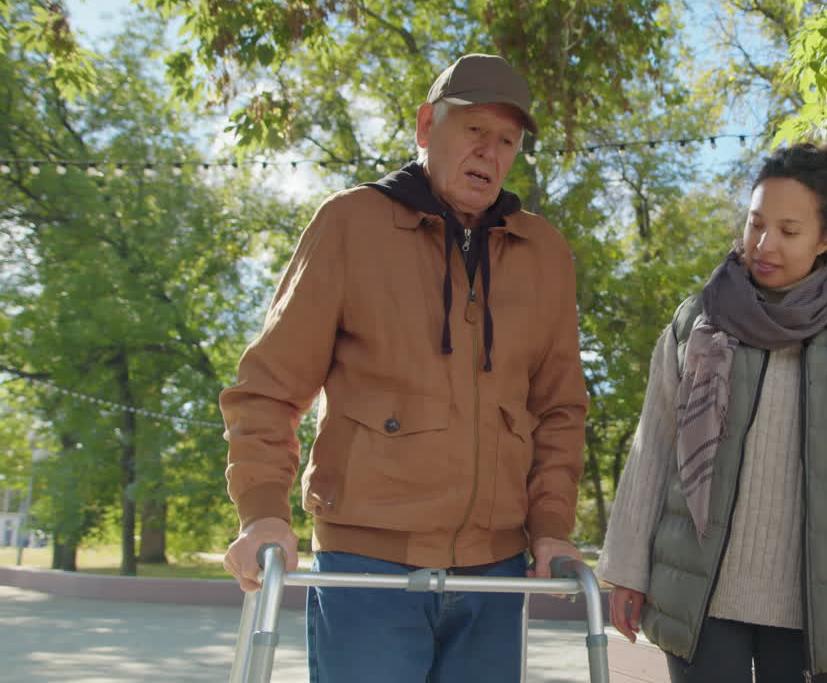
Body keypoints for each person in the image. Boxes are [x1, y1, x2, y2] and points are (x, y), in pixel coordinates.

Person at [219, 53, 588, 682]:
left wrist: (550, 528)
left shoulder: (543, 252)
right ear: (425, 127)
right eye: (474, 131)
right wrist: (263, 512)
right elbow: (268, 388)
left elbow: (558, 409)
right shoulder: (350, 224)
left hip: (496, 572)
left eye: (507, 141)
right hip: (367, 565)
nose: (489, 154)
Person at [597, 143, 827, 682]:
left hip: (816, 607)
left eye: (788, 229)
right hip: (699, 600)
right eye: (756, 223)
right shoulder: (697, 323)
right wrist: (627, 572)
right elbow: (654, 448)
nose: (764, 244)